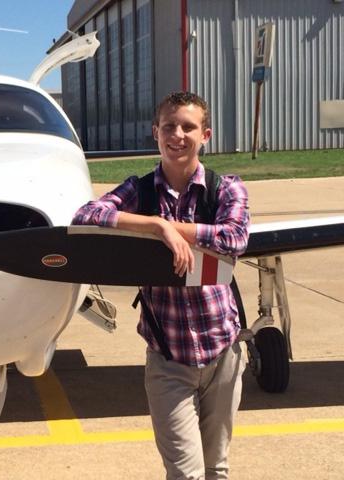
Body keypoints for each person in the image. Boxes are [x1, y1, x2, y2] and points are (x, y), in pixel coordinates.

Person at [73, 91, 250, 479]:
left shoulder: (227, 188)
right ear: (155, 132)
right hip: (169, 360)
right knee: (186, 474)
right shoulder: (141, 191)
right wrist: (155, 225)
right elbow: (88, 214)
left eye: (188, 126)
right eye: (169, 126)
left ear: (206, 134)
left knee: (216, 468)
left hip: (223, 352)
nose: (178, 134)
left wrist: (176, 230)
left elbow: (234, 237)